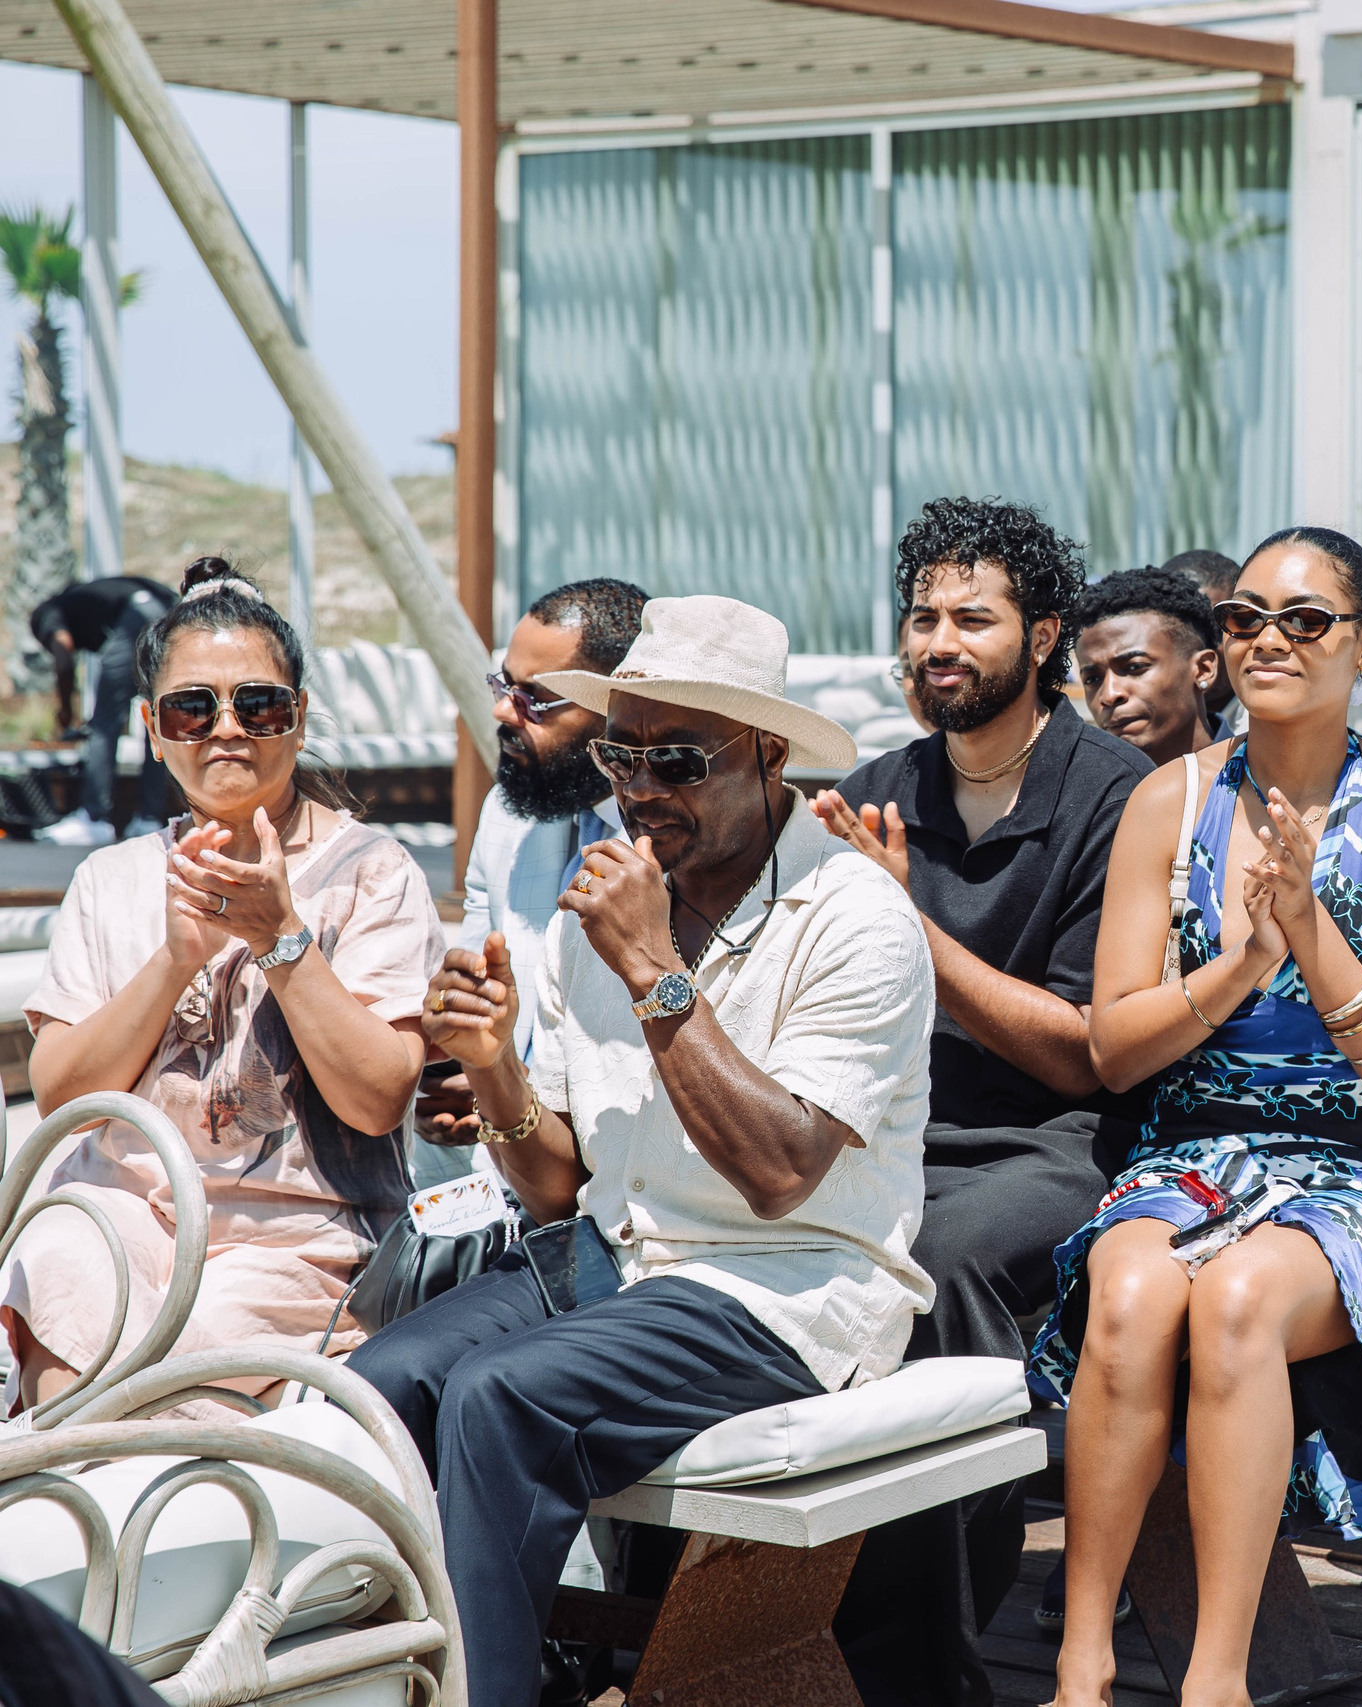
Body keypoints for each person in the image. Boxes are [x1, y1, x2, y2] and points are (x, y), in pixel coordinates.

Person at [349, 596, 932, 1707]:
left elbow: (777, 1175)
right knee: (379, 1387)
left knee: (499, 1399)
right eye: (623, 754)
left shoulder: (852, 915)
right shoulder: (612, 902)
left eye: (676, 759)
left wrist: (655, 975)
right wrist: (495, 1070)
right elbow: (559, 1184)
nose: (641, 788)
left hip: (784, 1285)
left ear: (766, 756)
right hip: (618, 1258)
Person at [1035, 526, 1362, 1707]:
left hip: (1357, 1172)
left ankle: (1213, 1683)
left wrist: (1312, 935)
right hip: (1192, 1154)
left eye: (1305, 619)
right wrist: (1237, 967)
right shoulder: (1168, 805)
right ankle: (1082, 1661)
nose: (1268, 639)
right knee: (1129, 1298)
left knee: (1232, 1304)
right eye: (1243, 619)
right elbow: (1115, 1049)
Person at [818, 497, 1151, 1705]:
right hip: (887, 1135)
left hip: (1061, 1143)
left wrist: (906, 925)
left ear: (1045, 632)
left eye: (972, 617)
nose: (936, 640)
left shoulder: (1118, 796)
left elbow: (1085, 1059)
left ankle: (929, 1659)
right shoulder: (873, 788)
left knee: (943, 1260)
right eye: (921, 617)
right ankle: (741, 1614)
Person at [3, 559, 441, 1414]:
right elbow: (62, 1097)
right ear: (154, 729)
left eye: (259, 704)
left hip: (296, 1238)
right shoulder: (114, 875)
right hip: (129, 1208)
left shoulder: (371, 872)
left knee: (173, 1362)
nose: (227, 728)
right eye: (192, 708)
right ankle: (76, 1524)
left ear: (299, 717)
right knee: (60, 1261)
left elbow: (380, 1097)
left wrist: (281, 938)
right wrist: (175, 959)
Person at [413, 577, 647, 1163]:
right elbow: (482, 987)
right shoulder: (508, 815)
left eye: (535, 698)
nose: (502, 710)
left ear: (623, 705)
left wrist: (508, 1095)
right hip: (505, 1168)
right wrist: (463, 1069)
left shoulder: (677, 841)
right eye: (504, 684)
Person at [29, 571, 177, 845]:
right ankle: (149, 819)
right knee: (159, 719)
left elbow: (63, 658)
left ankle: (93, 819)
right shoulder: (92, 600)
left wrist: (65, 710)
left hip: (138, 618)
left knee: (103, 725)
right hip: (172, 614)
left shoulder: (48, 612)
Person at [1072, 566, 1220, 768]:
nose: (1109, 695)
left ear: (1203, 670)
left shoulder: (1261, 782)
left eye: (1135, 667)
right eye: (1092, 679)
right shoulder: (1086, 791)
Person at [1167, 547, 1243, 734]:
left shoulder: (1271, 727)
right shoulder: (1135, 729)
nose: (1204, 648)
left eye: (1218, 628)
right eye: (1185, 632)